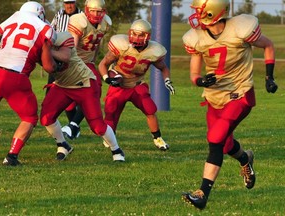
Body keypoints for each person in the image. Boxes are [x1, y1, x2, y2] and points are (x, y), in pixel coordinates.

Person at [181, 0, 278, 210]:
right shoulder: (196, 38)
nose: (196, 15)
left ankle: (202, 194)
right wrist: (200, 81)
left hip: (239, 94)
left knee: (215, 139)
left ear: (213, 12)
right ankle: (245, 158)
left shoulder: (240, 29)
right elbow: (194, 74)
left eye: (200, 11)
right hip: (214, 97)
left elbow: (268, 45)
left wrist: (269, 78)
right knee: (224, 145)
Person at [40, 31, 125, 162]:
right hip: (62, 85)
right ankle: (63, 145)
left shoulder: (63, 37)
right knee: (46, 117)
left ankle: (116, 149)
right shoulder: (34, 44)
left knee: (97, 126)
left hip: (84, 83)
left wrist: (45, 49)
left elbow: (65, 56)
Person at [98, 19, 175, 151]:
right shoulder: (121, 45)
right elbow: (103, 64)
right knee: (111, 112)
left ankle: (157, 138)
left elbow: (164, 68)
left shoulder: (153, 51)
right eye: (134, 33)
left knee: (150, 109)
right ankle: (110, 138)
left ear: (147, 36)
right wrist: (106, 78)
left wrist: (167, 80)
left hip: (137, 84)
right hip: (120, 84)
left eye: (140, 35)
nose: (136, 38)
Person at [0, 1, 58, 166]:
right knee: (29, 117)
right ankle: (11, 156)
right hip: (16, 76)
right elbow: (48, 66)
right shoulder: (43, 29)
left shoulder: (13, 19)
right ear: (40, 14)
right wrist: (58, 65)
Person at [61, 0, 111, 140]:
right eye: (93, 11)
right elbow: (72, 48)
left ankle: (73, 126)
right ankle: (72, 126)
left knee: (94, 91)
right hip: (74, 61)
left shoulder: (104, 24)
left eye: (99, 11)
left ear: (103, 11)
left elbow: (97, 44)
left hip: (87, 62)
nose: (96, 14)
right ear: (86, 10)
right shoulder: (79, 21)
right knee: (69, 99)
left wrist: (92, 62)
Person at [48, 0, 82, 124]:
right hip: (59, 56)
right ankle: (50, 121)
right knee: (51, 89)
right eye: (66, 3)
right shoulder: (59, 15)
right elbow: (51, 30)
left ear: (75, 3)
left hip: (76, 58)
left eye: (71, 3)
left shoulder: (82, 16)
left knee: (77, 94)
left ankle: (73, 125)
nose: (69, 6)